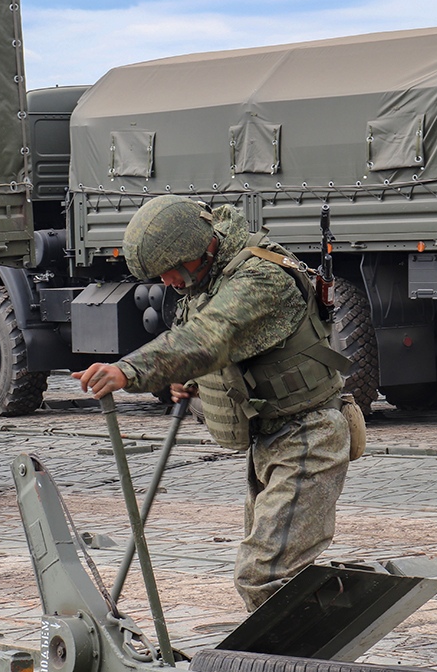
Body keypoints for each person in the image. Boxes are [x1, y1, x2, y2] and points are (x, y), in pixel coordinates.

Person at [73, 194, 351, 611]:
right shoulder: (209, 276)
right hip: (270, 443)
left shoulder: (259, 277)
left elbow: (209, 336)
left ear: (193, 252)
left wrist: (128, 371)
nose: (166, 284)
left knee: (264, 576)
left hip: (309, 437)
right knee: (270, 573)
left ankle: (305, 664)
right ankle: (294, 663)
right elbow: (211, 338)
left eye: (167, 273)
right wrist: (192, 378)